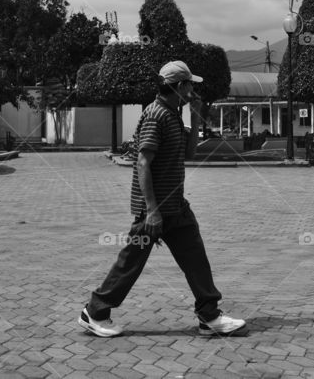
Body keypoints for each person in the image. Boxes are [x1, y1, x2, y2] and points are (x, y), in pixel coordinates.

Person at [80, 60, 246, 338]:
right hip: (156, 210)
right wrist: (152, 211)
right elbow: (143, 163)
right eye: (191, 84)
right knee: (129, 264)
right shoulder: (156, 114)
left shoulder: (172, 114)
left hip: (176, 208)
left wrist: (195, 116)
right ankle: (95, 312)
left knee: (196, 260)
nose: (193, 89)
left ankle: (209, 315)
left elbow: (189, 155)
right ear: (180, 86)